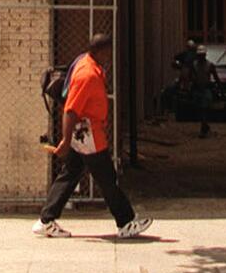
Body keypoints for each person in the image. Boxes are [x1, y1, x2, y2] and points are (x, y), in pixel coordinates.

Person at [34, 32, 151, 239]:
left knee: (70, 174)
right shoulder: (87, 74)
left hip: (84, 133)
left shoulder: (85, 62)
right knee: (107, 178)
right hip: (88, 136)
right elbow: (70, 111)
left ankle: (46, 220)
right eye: (107, 52)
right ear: (99, 51)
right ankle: (125, 222)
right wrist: (65, 141)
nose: (109, 56)